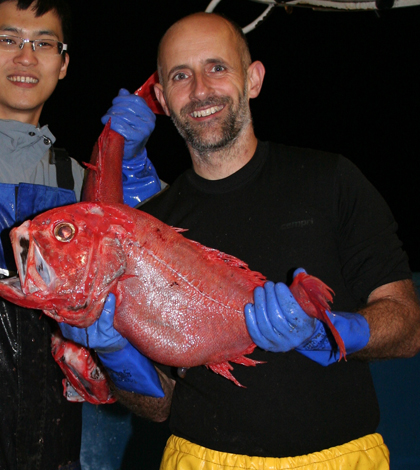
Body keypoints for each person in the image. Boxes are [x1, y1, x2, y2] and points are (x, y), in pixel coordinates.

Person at [59, 11, 420, 470]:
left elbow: (408, 326)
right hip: (199, 459)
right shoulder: (149, 231)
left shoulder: (331, 180)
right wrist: (115, 353)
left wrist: (330, 334)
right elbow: (160, 405)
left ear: (253, 79)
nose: (200, 90)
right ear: (164, 101)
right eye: (180, 76)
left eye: (217, 67)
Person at [0, 1, 162, 469]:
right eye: (8, 39)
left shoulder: (81, 183)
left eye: (44, 43)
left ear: (63, 63)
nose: (26, 56)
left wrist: (136, 175)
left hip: (55, 451)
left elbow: (180, 247)